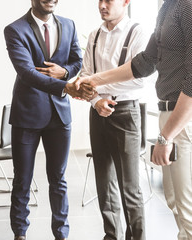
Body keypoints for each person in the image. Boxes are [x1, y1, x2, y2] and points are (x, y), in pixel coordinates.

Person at [77, 0, 192, 239]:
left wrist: (166, 136)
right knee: (174, 201)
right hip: (166, 113)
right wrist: (94, 82)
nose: (102, 5)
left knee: (186, 206)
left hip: (181, 119)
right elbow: (144, 63)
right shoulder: (166, 9)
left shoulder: (187, 6)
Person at [4, 0, 93, 239]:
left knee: (58, 178)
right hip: (27, 114)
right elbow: (26, 73)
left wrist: (63, 72)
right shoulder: (15, 29)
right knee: (22, 179)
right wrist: (65, 86)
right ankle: (20, 233)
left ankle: (61, 233)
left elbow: (77, 61)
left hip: (59, 116)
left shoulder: (69, 25)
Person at [80, 0, 148, 239]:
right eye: (99, 0)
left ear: (126, 1)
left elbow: (138, 78)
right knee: (104, 183)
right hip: (97, 112)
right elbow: (86, 73)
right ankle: (111, 235)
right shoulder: (94, 35)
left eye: (108, 0)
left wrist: (99, 84)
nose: (102, 5)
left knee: (130, 187)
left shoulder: (137, 31)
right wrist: (96, 100)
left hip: (125, 112)